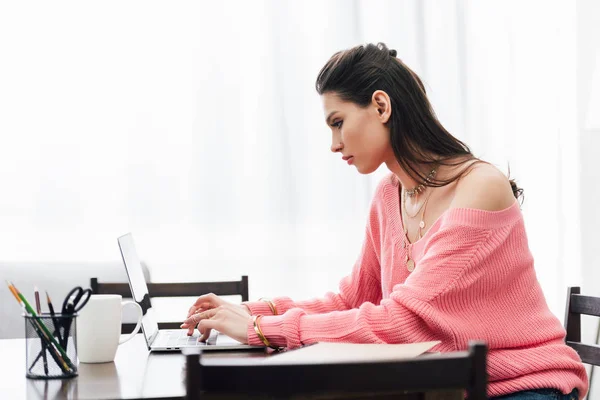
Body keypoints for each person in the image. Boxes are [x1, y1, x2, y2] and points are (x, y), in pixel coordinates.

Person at [180, 42, 588, 399]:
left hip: (524, 386)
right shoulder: (389, 194)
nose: (334, 144)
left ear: (381, 105)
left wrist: (259, 329)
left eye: (338, 122)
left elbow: (403, 323)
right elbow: (354, 299)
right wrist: (250, 311)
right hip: (446, 386)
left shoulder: (479, 187)